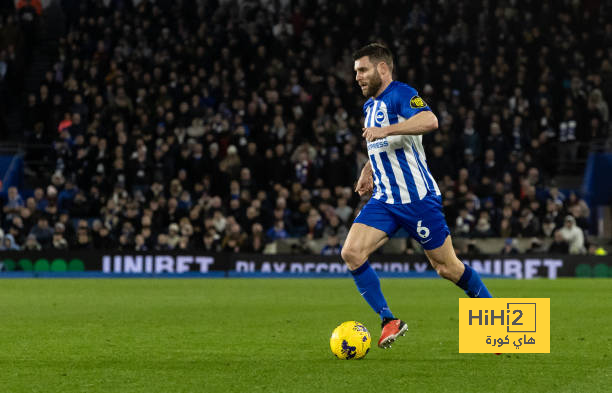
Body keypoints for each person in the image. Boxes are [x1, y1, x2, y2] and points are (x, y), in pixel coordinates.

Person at [342, 43, 493, 349]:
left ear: (382, 68)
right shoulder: (369, 107)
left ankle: (496, 322)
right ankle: (389, 320)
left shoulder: (400, 93)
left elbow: (430, 120)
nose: (356, 76)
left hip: (418, 200)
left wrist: (387, 131)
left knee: (447, 268)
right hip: (384, 200)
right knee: (351, 253)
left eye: (362, 70)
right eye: (355, 71)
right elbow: (381, 144)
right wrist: (367, 169)